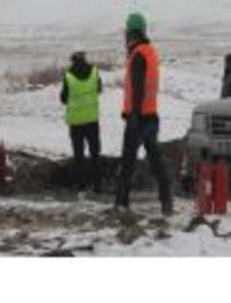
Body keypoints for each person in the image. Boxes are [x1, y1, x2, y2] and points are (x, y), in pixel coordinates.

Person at [115, 12, 173, 216]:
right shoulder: (150, 52)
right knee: (155, 160)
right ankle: (166, 200)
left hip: (138, 117)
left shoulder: (138, 54)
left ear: (131, 33)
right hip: (151, 115)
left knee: (128, 161)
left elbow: (138, 89)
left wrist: (134, 117)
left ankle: (121, 203)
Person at [60, 51, 102, 193]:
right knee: (95, 152)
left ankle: (81, 185)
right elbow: (99, 89)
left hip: (76, 121)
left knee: (79, 155)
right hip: (92, 119)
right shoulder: (94, 71)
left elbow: (63, 98)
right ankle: (97, 185)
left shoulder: (69, 75)